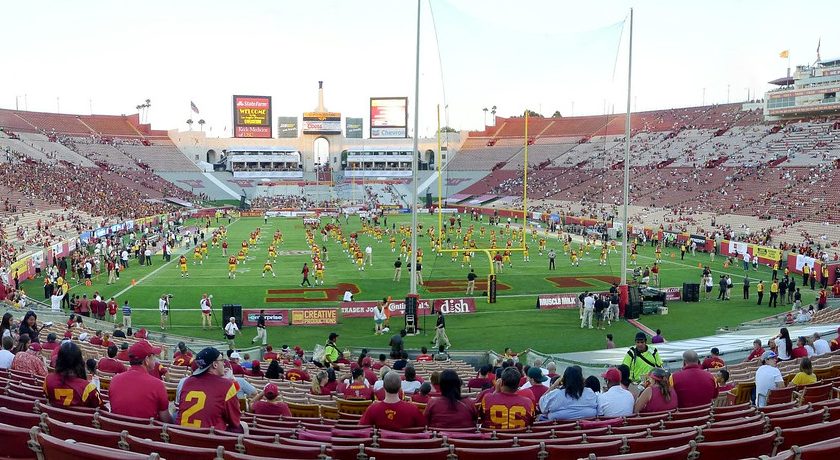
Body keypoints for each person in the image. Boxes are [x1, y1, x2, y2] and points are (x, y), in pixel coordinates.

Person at [176, 347, 242, 432]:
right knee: (243, 426)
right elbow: (235, 421)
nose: (224, 363)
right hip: (209, 440)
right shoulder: (227, 385)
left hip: (182, 436)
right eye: (222, 360)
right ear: (215, 364)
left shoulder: (187, 382)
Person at [109, 341, 171, 422]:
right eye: (153, 356)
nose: (155, 359)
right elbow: (166, 420)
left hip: (118, 431)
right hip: (145, 433)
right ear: (147, 359)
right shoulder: (157, 385)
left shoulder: (115, 380)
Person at [44, 341, 102, 408]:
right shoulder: (88, 388)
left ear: (59, 360)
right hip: (79, 418)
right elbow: (101, 410)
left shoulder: (48, 380)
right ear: (79, 361)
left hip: (53, 417)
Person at [359, 371, 425, 429]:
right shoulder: (413, 409)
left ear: (383, 386)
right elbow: (422, 428)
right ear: (400, 388)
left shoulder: (372, 409)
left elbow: (361, 428)